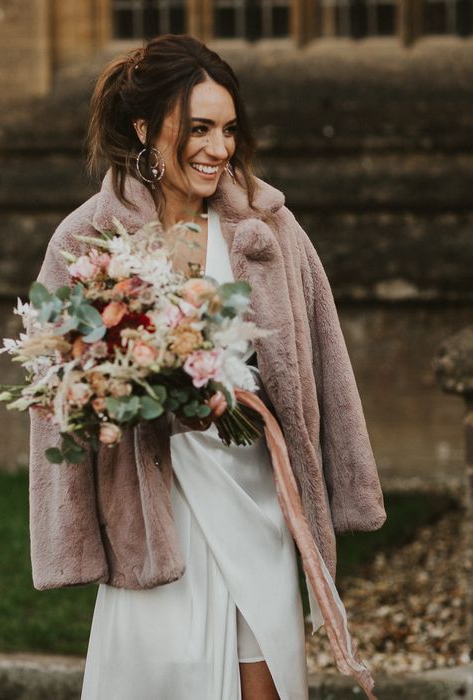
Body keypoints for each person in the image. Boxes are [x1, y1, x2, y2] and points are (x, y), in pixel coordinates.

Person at [28, 34, 385, 700]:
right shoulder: (85, 240)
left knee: (265, 684)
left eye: (228, 130)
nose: (219, 149)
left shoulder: (270, 230)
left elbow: (328, 365)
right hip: (155, 502)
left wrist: (349, 488)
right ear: (144, 128)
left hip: (257, 496)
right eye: (197, 129)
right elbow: (57, 387)